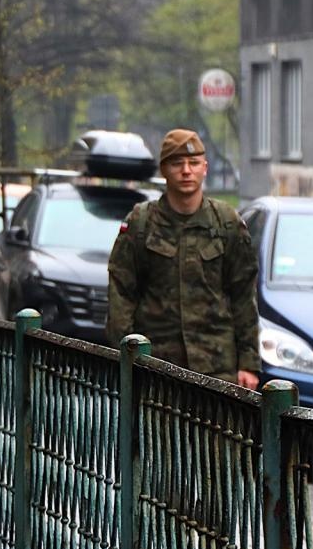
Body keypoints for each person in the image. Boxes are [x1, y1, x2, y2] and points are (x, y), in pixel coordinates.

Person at [106, 128, 261, 389]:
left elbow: (243, 296)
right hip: (155, 368)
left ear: (205, 168)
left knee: (216, 431)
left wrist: (249, 363)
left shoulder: (227, 223)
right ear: (164, 170)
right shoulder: (142, 223)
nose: (186, 171)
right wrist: (127, 353)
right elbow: (121, 291)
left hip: (217, 369)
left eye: (194, 163)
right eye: (177, 163)